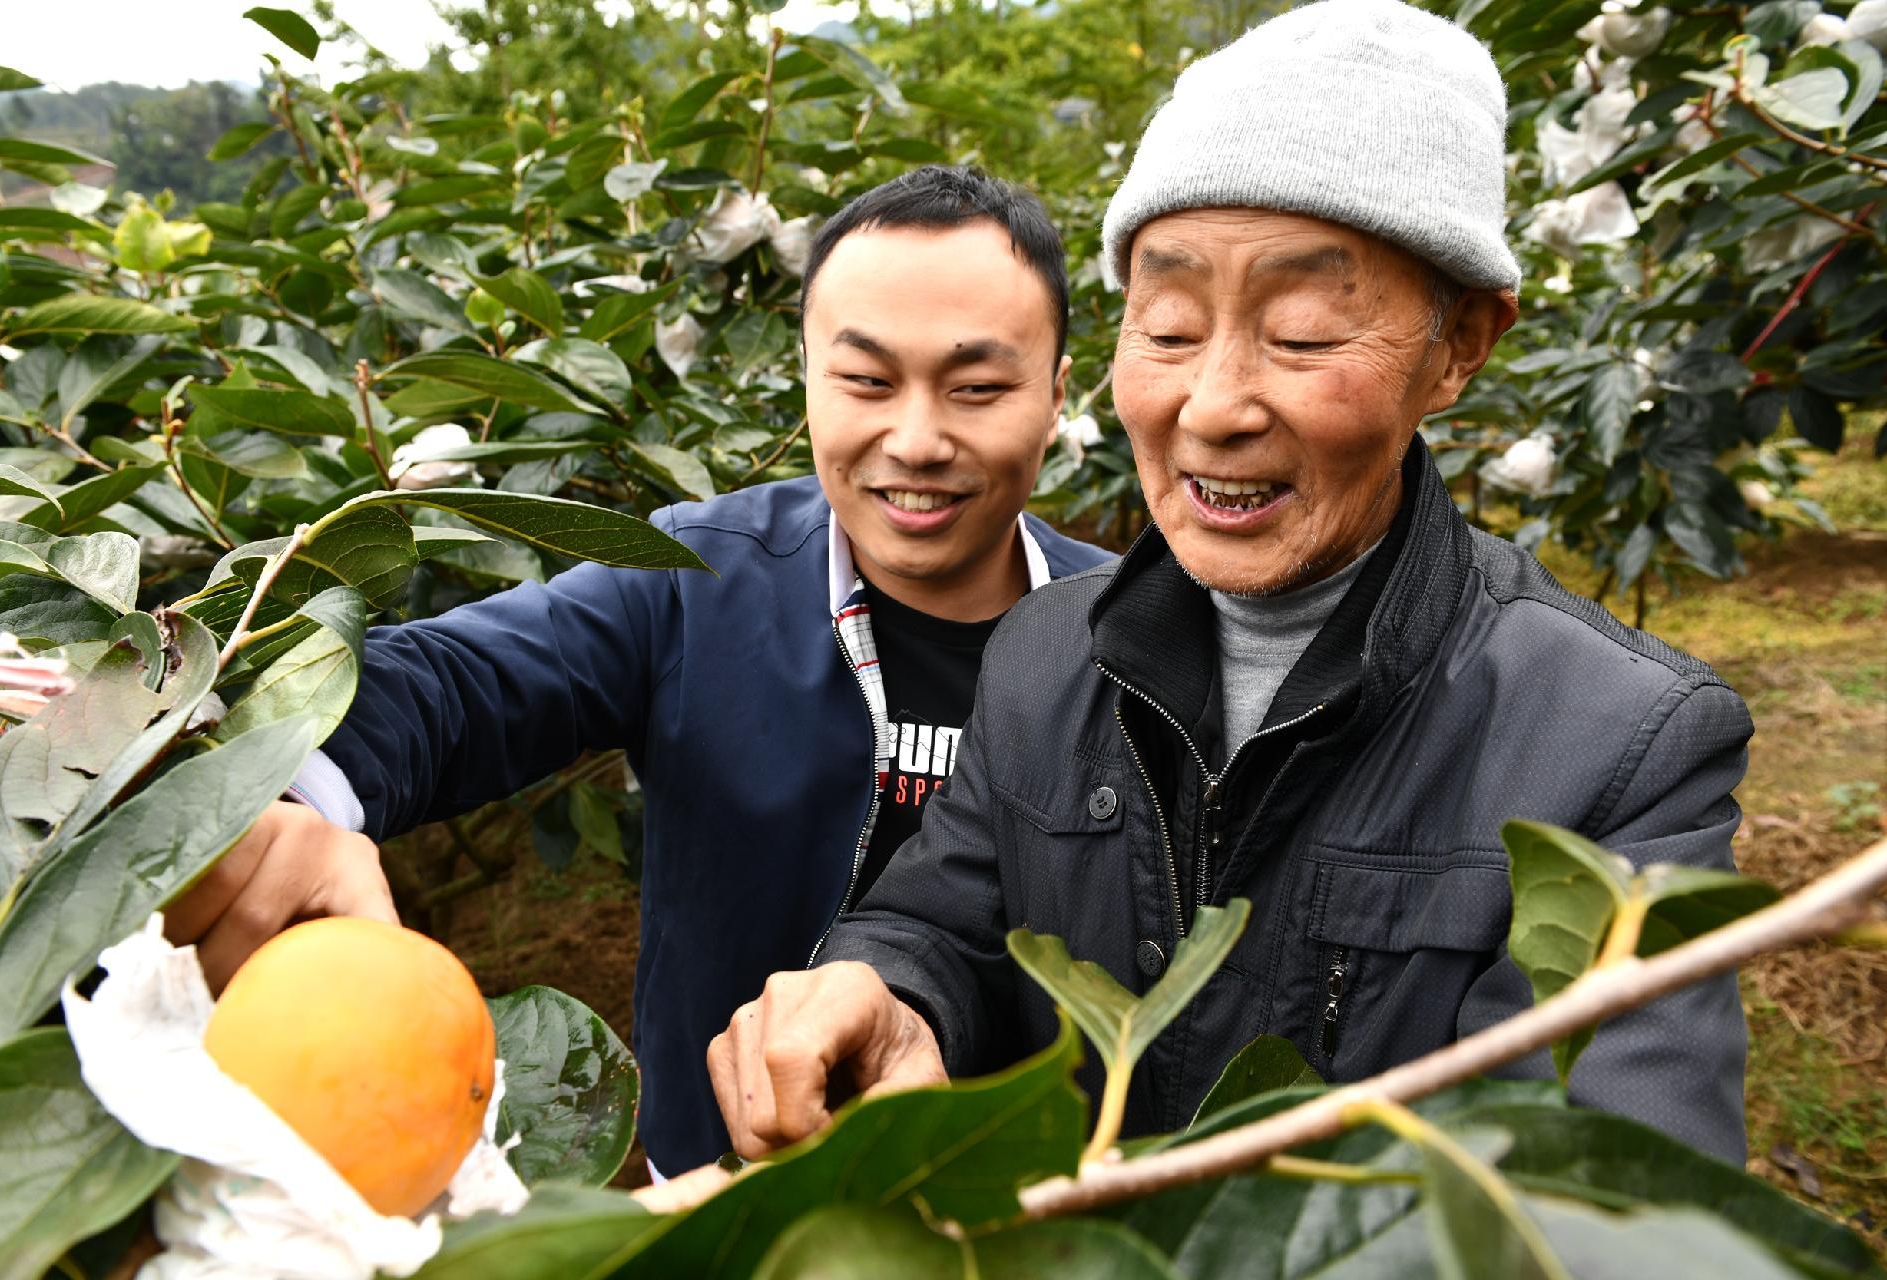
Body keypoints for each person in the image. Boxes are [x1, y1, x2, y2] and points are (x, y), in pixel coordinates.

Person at [707, 0, 1753, 1168]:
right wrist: (888, 990)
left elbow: (1602, 1196)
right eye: (1166, 325)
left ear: (1461, 345)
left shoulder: (1620, 749)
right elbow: (943, 917)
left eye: (1304, 334)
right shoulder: (1046, 653)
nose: (1211, 405)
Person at [163, 166, 1113, 1176]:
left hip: (1025, 1196)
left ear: (1058, 390)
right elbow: (454, 683)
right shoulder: (695, 577)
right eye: (867, 380)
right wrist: (268, 788)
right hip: (713, 1188)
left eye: (977, 387)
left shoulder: (1132, 635)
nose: (915, 440)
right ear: (805, 375)